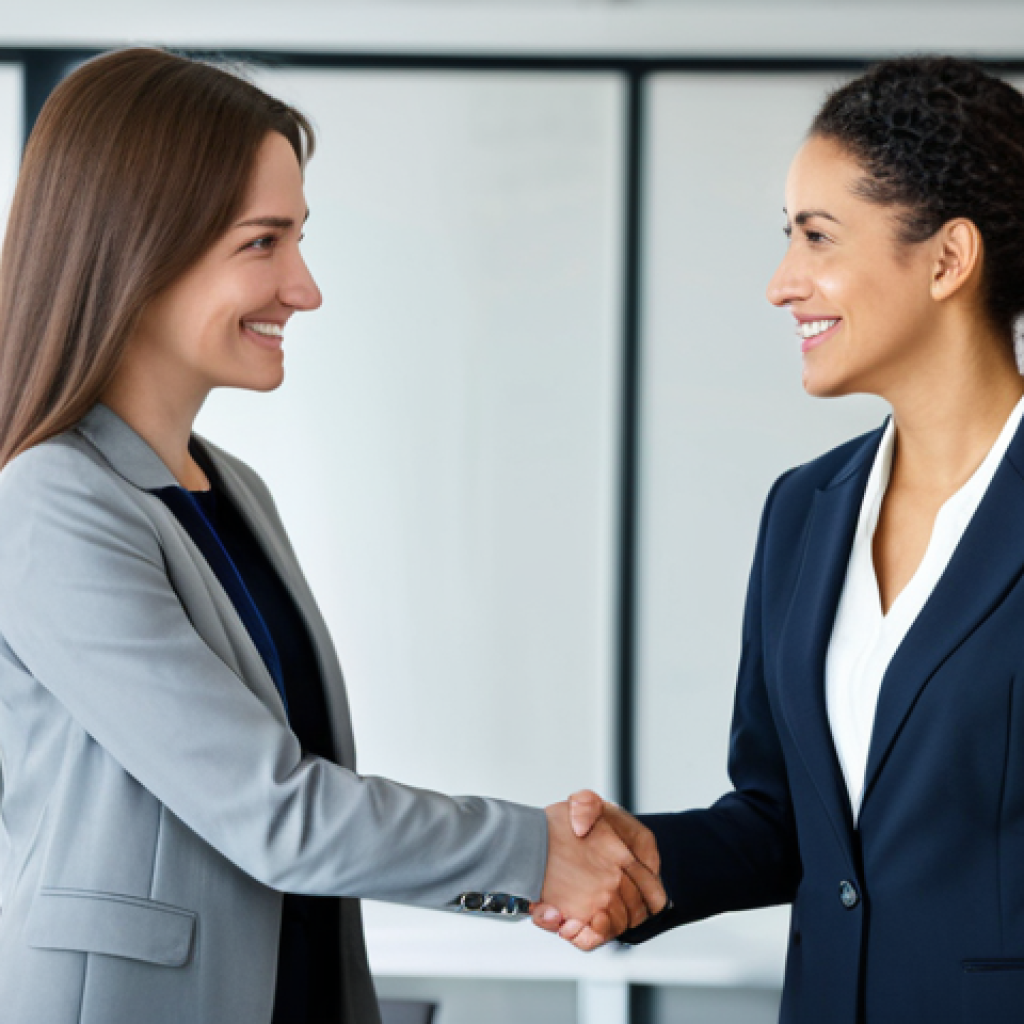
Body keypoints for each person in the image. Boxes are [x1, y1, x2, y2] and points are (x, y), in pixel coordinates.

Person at [0, 48, 665, 1024]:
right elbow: (274, 809)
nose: (303, 287)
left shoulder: (237, 491)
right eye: (263, 243)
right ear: (140, 247)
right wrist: (536, 854)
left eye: (297, 239)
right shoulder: (51, 502)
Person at [535, 55, 1024, 1024]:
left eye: (815, 236)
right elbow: (785, 820)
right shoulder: (805, 509)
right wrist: (639, 861)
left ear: (945, 258)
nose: (779, 284)